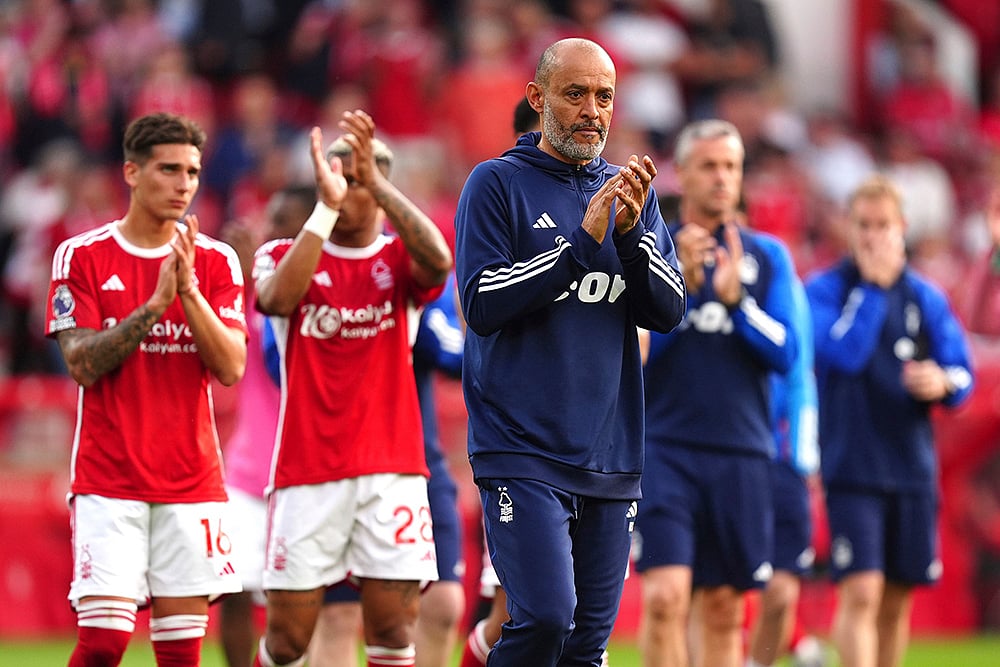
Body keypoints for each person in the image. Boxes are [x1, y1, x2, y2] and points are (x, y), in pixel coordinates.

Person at [454, 37, 687, 667]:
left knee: (586, 646)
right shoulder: (496, 184)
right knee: (545, 617)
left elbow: (668, 310)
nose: (592, 110)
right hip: (521, 447)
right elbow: (480, 301)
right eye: (575, 93)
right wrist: (581, 245)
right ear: (537, 98)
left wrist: (633, 234)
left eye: (604, 96)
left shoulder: (630, 193)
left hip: (611, 453)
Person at [45, 111, 248, 667]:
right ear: (131, 173)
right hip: (110, 480)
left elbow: (231, 366)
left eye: (193, 171)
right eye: (168, 169)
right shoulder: (81, 256)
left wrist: (188, 294)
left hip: (191, 483)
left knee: (181, 652)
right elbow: (82, 364)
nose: (184, 184)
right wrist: (154, 305)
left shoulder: (214, 261)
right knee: (104, 643)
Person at [251, 108, 453, 667]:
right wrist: (326, 207)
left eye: (354, 179)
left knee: (392, 633)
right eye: (332, 177)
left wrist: (380, 184)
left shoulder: (397, 259)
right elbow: (274, 302)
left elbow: (439, 264)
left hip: (392, 474)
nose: (342, 188)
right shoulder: (282, 255)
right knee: (289, 641)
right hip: (306, 473)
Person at [633, 118, 798, 667]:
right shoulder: (650, 249)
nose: (722, 178)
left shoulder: (766, 257)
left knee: (726, 606)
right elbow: (634, 357)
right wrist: (674, 294)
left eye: (731, 166)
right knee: (663, 599)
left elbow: (786, 352)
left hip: (742, 451)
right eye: (709, 165)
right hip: (666, 448)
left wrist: (736, 304)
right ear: (682, 173)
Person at [805, 174, 974, 667]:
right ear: (850, 229)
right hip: (851, 467)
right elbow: (844, 353)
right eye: (864, 225)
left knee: (897, 598)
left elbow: (962, 373)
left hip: (911, 468)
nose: (874, 236)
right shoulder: (826, 290)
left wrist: (942, 382)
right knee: (860, 591)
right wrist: (874, 292)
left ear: (902, 227)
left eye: (884, 225)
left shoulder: (926, 297)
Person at [306, 272, 468, 667]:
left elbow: (452, 353)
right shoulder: (313, 267)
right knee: (339, 614)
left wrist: (411, 308)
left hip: (419, 460)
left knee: (443, 602)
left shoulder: (412, 264)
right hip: (341, 463)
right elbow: (283, 364)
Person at [217, 186, 316, 667]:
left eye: (284, 223)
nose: (272, 232)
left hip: (309, 478)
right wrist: (237, 282)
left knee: (295, 610)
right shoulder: (253, 293)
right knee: (232, 591)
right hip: (249, 473)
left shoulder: (325, 298)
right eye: (271, 221)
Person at [744, 269, 823, 667]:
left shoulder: (781, 279)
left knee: (782, 591)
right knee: (708, 592)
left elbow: (799, 372)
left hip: (779, 457)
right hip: (728, 453)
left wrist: (805, 456)